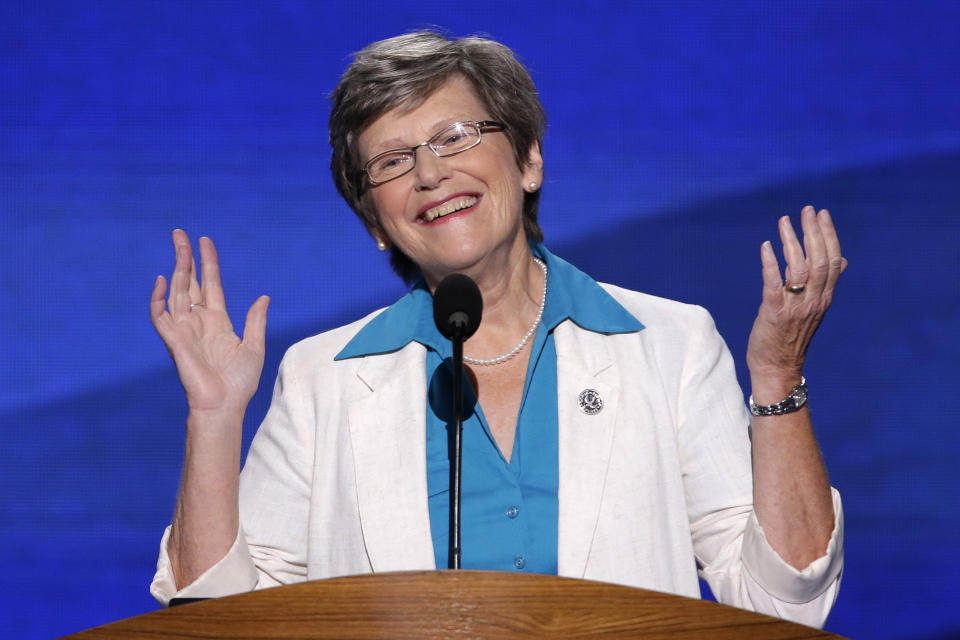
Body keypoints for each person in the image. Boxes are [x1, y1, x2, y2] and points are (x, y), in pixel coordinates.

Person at [149, 32, 846, 627]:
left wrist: (779, 378)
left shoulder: (668, 344)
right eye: (391, 161)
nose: (429, 172)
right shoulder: (322, 377)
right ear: (374, 223)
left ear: (529, 159)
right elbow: (221, 622)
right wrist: (213, 418)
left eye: (454, 136)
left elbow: (784, 603)